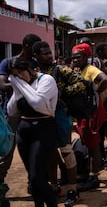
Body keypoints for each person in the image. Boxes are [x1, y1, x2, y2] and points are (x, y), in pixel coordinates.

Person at [32, 41, 85, 206]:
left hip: (60, 116)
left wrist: (62, 93)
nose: (49, 56)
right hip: (42, 117)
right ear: (36, 56)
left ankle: (72, 190)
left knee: (67, 151)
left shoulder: (61, 70)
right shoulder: (33, 73)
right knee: (49, 153)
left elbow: (81, 84)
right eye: (45, 53)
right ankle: (54, 187)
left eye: (50, 53)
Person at [7, 58, 58, 207]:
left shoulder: (46, 80)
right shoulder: (22, 85)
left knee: (37, 178)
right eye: (16, 75)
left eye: (22, 72)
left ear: (30, 68)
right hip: (24, 130)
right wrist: (17, 87)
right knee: (32, 177)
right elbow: (12, 110)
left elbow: (38, 103)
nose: (21, 77)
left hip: (43, 129)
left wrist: (19, 84)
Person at [0, 33, 41, 205]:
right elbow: (2, 85)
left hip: (33, 113)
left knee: (33, 150)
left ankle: (35, 183)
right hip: (12, 114)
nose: (37, 50)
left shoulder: (35, 64)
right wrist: (24, 85)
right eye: (35, 47)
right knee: (6, 151)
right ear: (26, 46)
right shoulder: (8, 63)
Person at [71, 43, 107, 190]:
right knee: (87, 142)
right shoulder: (78, 70)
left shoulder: (90, 69)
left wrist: (93, 95)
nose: (75, 60)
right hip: (84, 112)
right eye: (73, 58)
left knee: (93, 144)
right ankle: (89, 173)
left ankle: (94, 177)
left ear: (86, 57)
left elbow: (106, 80)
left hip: (91, 111)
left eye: (78, 57)